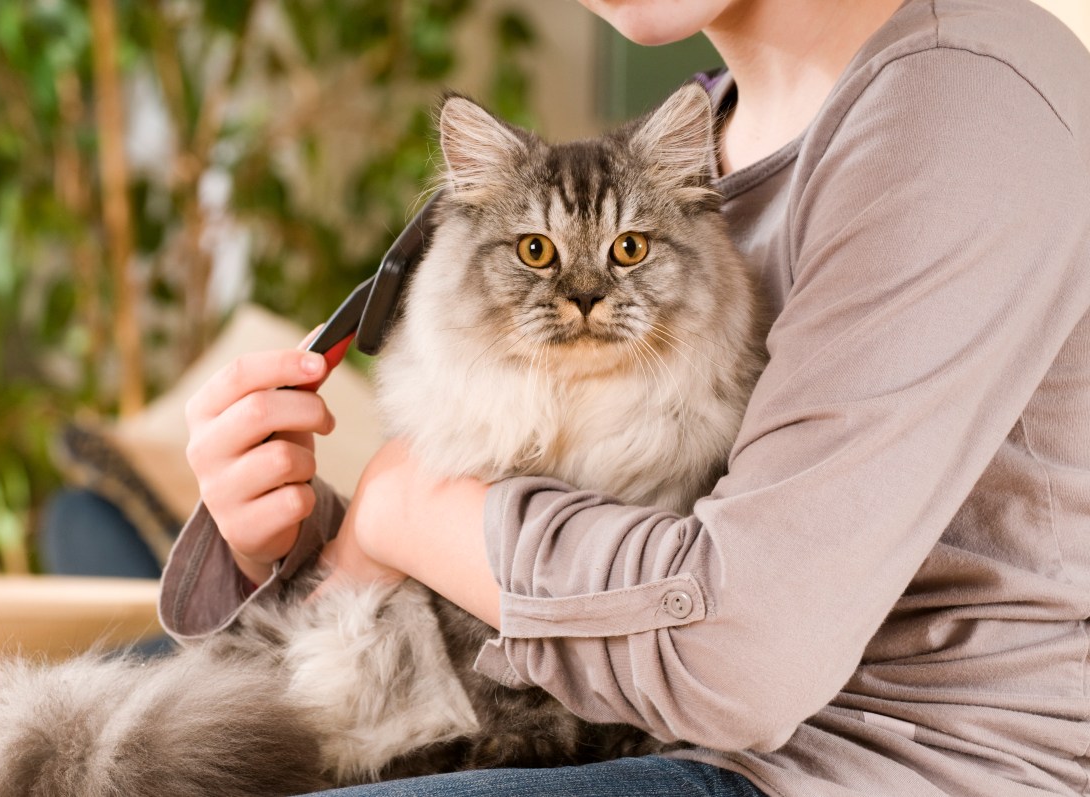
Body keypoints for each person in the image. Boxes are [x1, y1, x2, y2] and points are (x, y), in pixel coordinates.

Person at [159, 0, 1090, 795]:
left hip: (870, 764)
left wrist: (411, 508)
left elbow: (741, 652)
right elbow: (568, 573)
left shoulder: (961, 102)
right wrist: (295, 539)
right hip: (640, 729)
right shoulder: (699, 132)